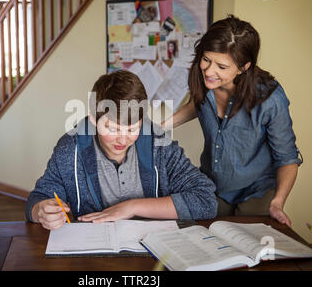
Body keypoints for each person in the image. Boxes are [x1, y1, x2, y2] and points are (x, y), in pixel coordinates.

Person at [26, 70, 217, 230]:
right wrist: (41, 210)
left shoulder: (158, 143)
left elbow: (205, 200)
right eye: (113, 129)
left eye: (133, 129)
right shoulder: (70, 147)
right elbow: (39, 198)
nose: (123, 139)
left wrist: (132, 207)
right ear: (94, 119)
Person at [163, 15, 302, 226]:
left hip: (257, 189)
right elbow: (199, 104)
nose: (209, 71)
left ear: (244, 67)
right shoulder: (203, 81)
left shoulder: (271, 98)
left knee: (246, 244)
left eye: (221, 66)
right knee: (203, 236)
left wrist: (277, 203)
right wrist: (163, 126)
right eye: (206, 60)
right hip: (214, 184)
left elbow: (288, 159)